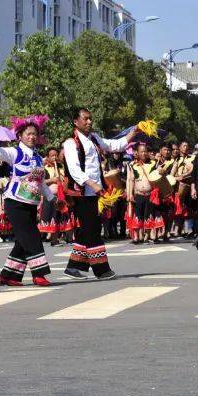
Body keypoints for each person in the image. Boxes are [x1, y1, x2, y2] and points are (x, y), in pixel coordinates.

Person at [0, 117, 57, 286]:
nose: (32, 137)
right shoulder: (14, 152)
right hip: (15, 203)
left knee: (22, 241)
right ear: (20, 136)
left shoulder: (38, 158)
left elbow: (40, 183)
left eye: (35, 134)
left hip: (31, 204)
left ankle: (8, 276)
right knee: (32, 237)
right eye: (28, 134)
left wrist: (52, 198)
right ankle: (39, 274)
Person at [62, 107, 138, 280]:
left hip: (93, 192)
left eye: (90, 119)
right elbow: (74, 170)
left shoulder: (94, 138)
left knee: (88, 229)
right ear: (76, 121)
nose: (89, 122)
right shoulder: (70, 143)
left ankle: (74, 267)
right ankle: (101, 270)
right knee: (93, 231)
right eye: (85, 119)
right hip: (81, 192)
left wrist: (134, 132)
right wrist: (93, 185)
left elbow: (114, 145)